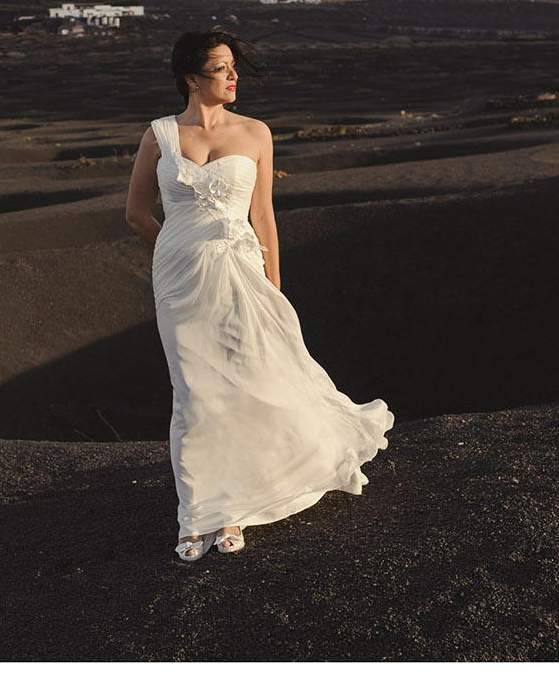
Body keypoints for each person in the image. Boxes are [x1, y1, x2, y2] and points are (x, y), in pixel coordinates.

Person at [124, 28, 394, 562]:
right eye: (221, 69)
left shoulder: (256, 133)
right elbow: (135, 213)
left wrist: (273, 286)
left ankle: (234, 509)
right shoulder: (158, 135)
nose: (233, 77)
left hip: (243, 273)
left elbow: (264, 216)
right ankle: (195, 513)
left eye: (233, 68)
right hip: (179, 279)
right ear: (190, 78)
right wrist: (178, 248)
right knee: (195, 393)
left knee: (248, 381)